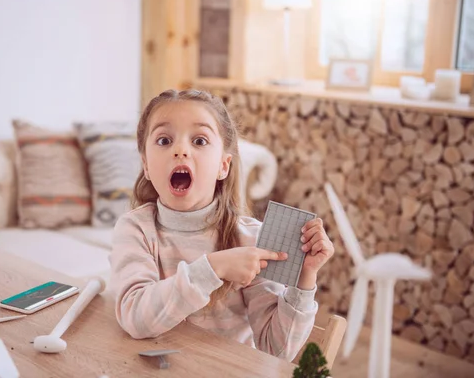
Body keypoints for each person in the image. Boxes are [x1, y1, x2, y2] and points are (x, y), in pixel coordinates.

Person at [109, 89, 334, 361]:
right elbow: (135, 318)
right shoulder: (134, 230)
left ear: (223, 166)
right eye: (165, 140)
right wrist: (215, 267)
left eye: (200, 141)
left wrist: (303, 280)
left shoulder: (251, 238)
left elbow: (278, 349)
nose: (180, 150)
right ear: (145, 164)